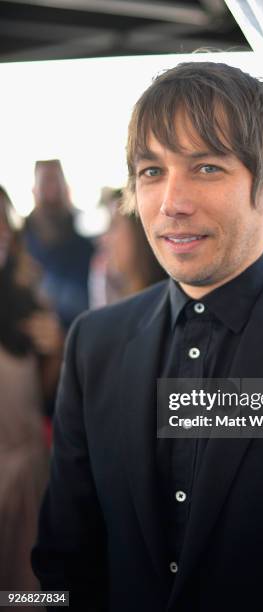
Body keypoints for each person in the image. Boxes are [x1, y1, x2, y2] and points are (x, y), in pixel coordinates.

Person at [32, 62, 263, 611]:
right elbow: (65, 565)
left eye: (206, 167)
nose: (171, 203)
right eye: (151, 171)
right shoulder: (96, 345)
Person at [0, 186, 61, 600]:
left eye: (4, 220)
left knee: (29, 597)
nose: (1, 231)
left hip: (28, 486)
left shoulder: (29, 305)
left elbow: (43, 400)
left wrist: (57, 353)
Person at [24, 159, 94, 329]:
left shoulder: (87, 250)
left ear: (67, 191)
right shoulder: (16, 248)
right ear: (34, 191)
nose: (52, 193)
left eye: (57, 183)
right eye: (45, 183)